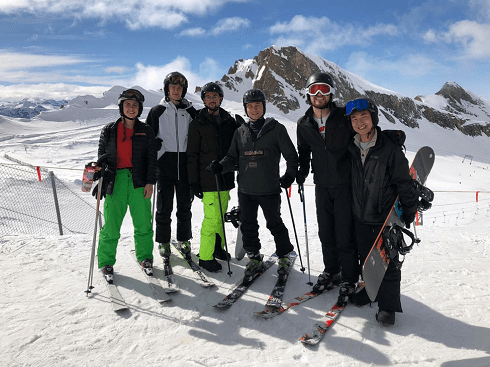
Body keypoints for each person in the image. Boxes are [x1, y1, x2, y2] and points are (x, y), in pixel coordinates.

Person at [208, 89, 298, 279]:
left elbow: (291, 155)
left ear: (264, 107)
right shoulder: (240, 132)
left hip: (270, 188)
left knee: (274, 223)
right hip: (246, 190)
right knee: (248, 225)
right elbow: (232, 158)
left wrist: (290, 175)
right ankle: (254, 257)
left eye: (258, 105)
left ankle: (284, 255)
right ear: (245, 109)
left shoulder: (276, 129)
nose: (254, 109)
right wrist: (220, 167)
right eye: (250, 106)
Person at [346, 97, 418, 325]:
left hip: (384, 217)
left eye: (364, 117)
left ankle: (388, 308)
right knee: (367, 259)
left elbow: (404, 182)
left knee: (390, 261)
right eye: (354, 119)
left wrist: (409, 209)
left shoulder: (389, 149)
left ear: (374, 119)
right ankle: (369, 291)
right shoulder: (351, 146)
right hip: (360, 215)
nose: (359, 122)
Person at [296, 72, 359, 300]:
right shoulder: (303, 124)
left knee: (344, 233)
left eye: (323, 89)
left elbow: (363, 132)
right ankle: (332, 270)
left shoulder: (344, 117)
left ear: (331, 92)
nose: (319, 94)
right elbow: (304, 153)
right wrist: (301, 173)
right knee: (326, 233)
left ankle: (350, 277)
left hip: (345, 185)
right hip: (321, 186)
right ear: (308, 94)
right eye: (314, 90)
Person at [95, 88, 157, 280]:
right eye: (128, 104)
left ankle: (145, 257)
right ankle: (106, 262)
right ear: (122, 107)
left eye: (135, 105)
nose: (131, 108)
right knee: (111, 225)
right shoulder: (109, 130)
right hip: (115, 181)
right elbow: (101, 156)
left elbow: (151, 159)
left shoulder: (146, 131)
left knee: (143, 223)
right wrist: (101, 172)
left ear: (140, 109)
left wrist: (150, 182)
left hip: (139, 181)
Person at [186, 82, 238, 272]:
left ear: (221, 99)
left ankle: (217, 248)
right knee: (211, 219)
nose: (211, 100)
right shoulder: (197, 123)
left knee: (220, 216)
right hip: (207, 180)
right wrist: (194, 182)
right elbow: (191, 155)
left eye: (215, 96)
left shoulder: (228, 120)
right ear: (203, 100)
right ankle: (206, 257)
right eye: (207, 97)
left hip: (225, 179)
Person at [146, 72, 197, 260]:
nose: (176, 90)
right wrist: (155, 148)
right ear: (167, 89)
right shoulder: (157, 111)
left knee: (184, 207)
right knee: (164, 207)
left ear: (184, 90)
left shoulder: (191, 112)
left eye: (180, 88)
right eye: (172, 87)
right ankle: (164, 242)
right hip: (164, 166)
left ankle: (184, 239)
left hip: (184, 166)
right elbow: (147, 139)